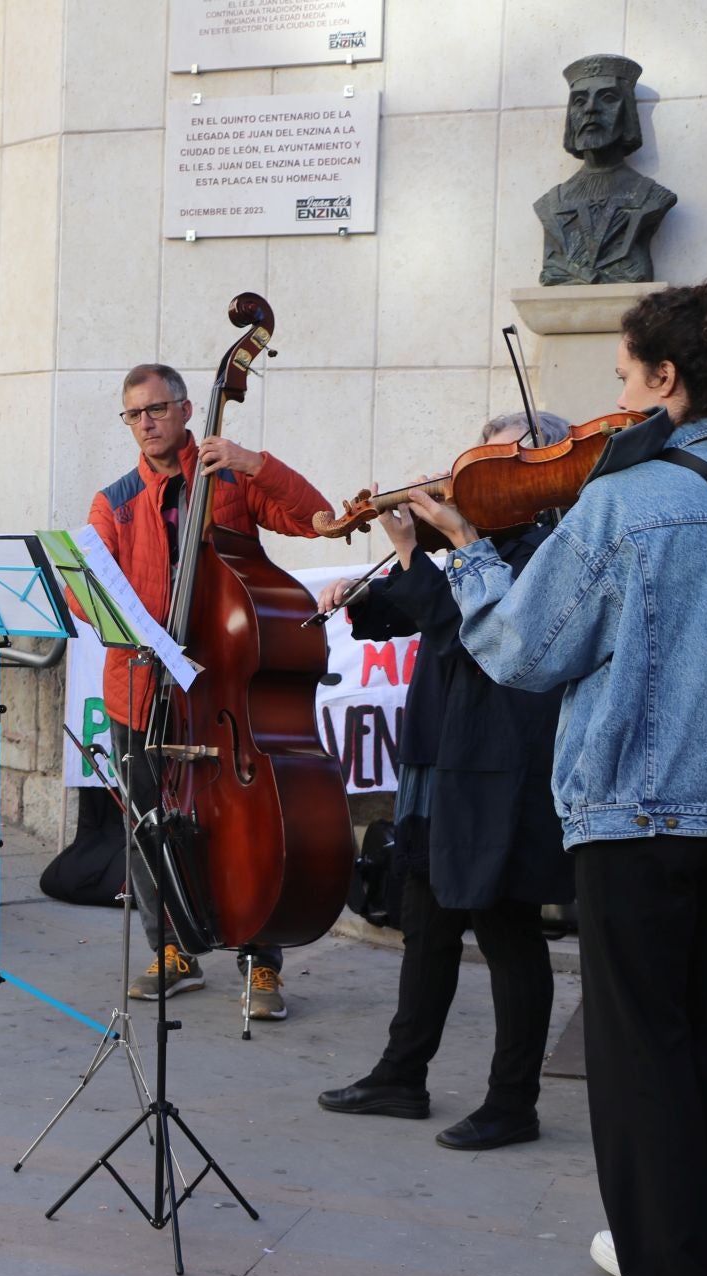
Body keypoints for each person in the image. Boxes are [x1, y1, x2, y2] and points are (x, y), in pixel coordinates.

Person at [405, 274, 707, 1276]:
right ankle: (676, 1234)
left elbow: (521, 648)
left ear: (670, 377)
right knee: (684, 1021)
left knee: (634, 1046)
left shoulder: (624, 499)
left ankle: (663, 1254)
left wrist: (466, 549)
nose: (617, 401)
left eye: (628, 377)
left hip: (634, 801)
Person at [313, 412, 573, 1152]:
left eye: (502, 465)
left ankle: (512, 1102)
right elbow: (410, 611)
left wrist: (410, 546)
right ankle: (402, 1074)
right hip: (439, 750)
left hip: (500, 760)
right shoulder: (476, 540)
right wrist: (362, 590)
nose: (481, 482)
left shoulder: (551, 547)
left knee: (506, 927)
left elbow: (472, 622)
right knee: (423, 921)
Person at [81, 363, 333, 1016]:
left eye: (157, 409)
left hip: (223, 689)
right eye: (134, 414)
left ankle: (262, 959)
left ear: (189, 410)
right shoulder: (112, 502)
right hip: (142, 690)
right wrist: (138, 624)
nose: (146, 424)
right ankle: (171, 948)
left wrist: (253, 461)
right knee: (147, 823)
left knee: (250, 821)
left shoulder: (228, 481)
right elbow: (91, 597)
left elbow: (316, 518)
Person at [534, 54, 676, 285]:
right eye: (579, 100)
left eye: (608, 97)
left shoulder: (652, 197)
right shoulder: (550, 204)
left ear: (627, 112)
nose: (591, 109)